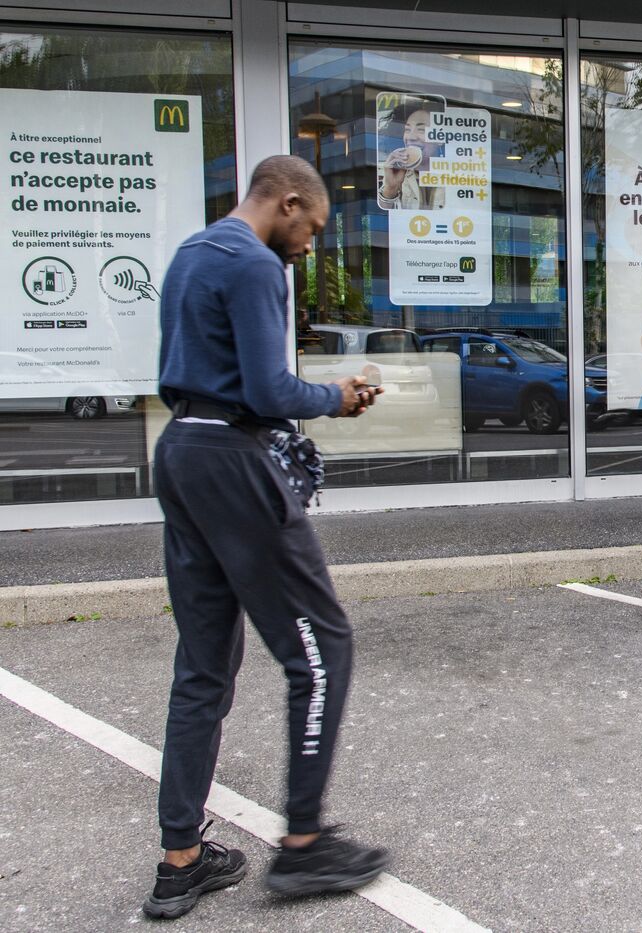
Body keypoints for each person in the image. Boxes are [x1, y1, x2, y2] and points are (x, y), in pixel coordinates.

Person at [143, 155, 389, 920]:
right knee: (323, 646)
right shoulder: (255, 264)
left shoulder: (192, 253)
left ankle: (180, 858)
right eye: (310, 228)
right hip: (231, 461)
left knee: (204, 666)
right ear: (286, 204)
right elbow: (267, 391)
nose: (309, 246)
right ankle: (305, 846)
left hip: (181, 452)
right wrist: (338, 395)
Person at [377, 101, 446, 211]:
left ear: (440, 138)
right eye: (407, 129)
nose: (411, 137)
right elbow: (382, 223)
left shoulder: (457, 174)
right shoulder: (397, 173)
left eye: (421, 130)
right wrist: (391, 189)